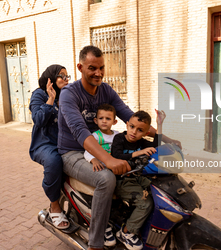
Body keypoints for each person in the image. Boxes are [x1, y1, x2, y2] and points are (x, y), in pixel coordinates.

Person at [58, 45, 181, 250]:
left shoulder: (105, 90)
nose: (98, 73)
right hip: (73, 153)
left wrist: (164, 137)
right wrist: (109, 160)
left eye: (102, 68)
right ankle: (96, 243)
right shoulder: (69, 94)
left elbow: (128, 115)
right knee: (106, 178)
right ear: (80, 67)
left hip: (102, 150)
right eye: (92, 68)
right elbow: (80, 132)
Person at [111, 110, 166, 250]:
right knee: (145, 203)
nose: (134, 132)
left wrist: (160, 125)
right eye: (132, 127)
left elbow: (156, 147)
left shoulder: (142, 142)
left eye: (140, 130)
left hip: (138, 178)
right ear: (127, 125)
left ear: (146, 133)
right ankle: (126, 232)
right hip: (121, 180)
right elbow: (116, 155)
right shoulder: (119, 138)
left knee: (159, 192)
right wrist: (138, 153)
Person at [29, 64, 70, 229]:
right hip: (44, 144)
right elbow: (38, 120)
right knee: (54, 162)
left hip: (64, 142)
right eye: (62, 76)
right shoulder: (39, 94)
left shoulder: (66, 95)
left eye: (68, 76)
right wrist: (51, 99)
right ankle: (54, 205)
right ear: (51, 78)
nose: (66, 80)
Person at [84, 104, 119, 172]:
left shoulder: (117, 135)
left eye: (108, 118)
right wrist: (94, 160)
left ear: (114, 122)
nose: (104, 121)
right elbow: (87, 151)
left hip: (115, 165)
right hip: (101, 167)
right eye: (101, 118)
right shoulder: (95, 136)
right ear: (96, 121)